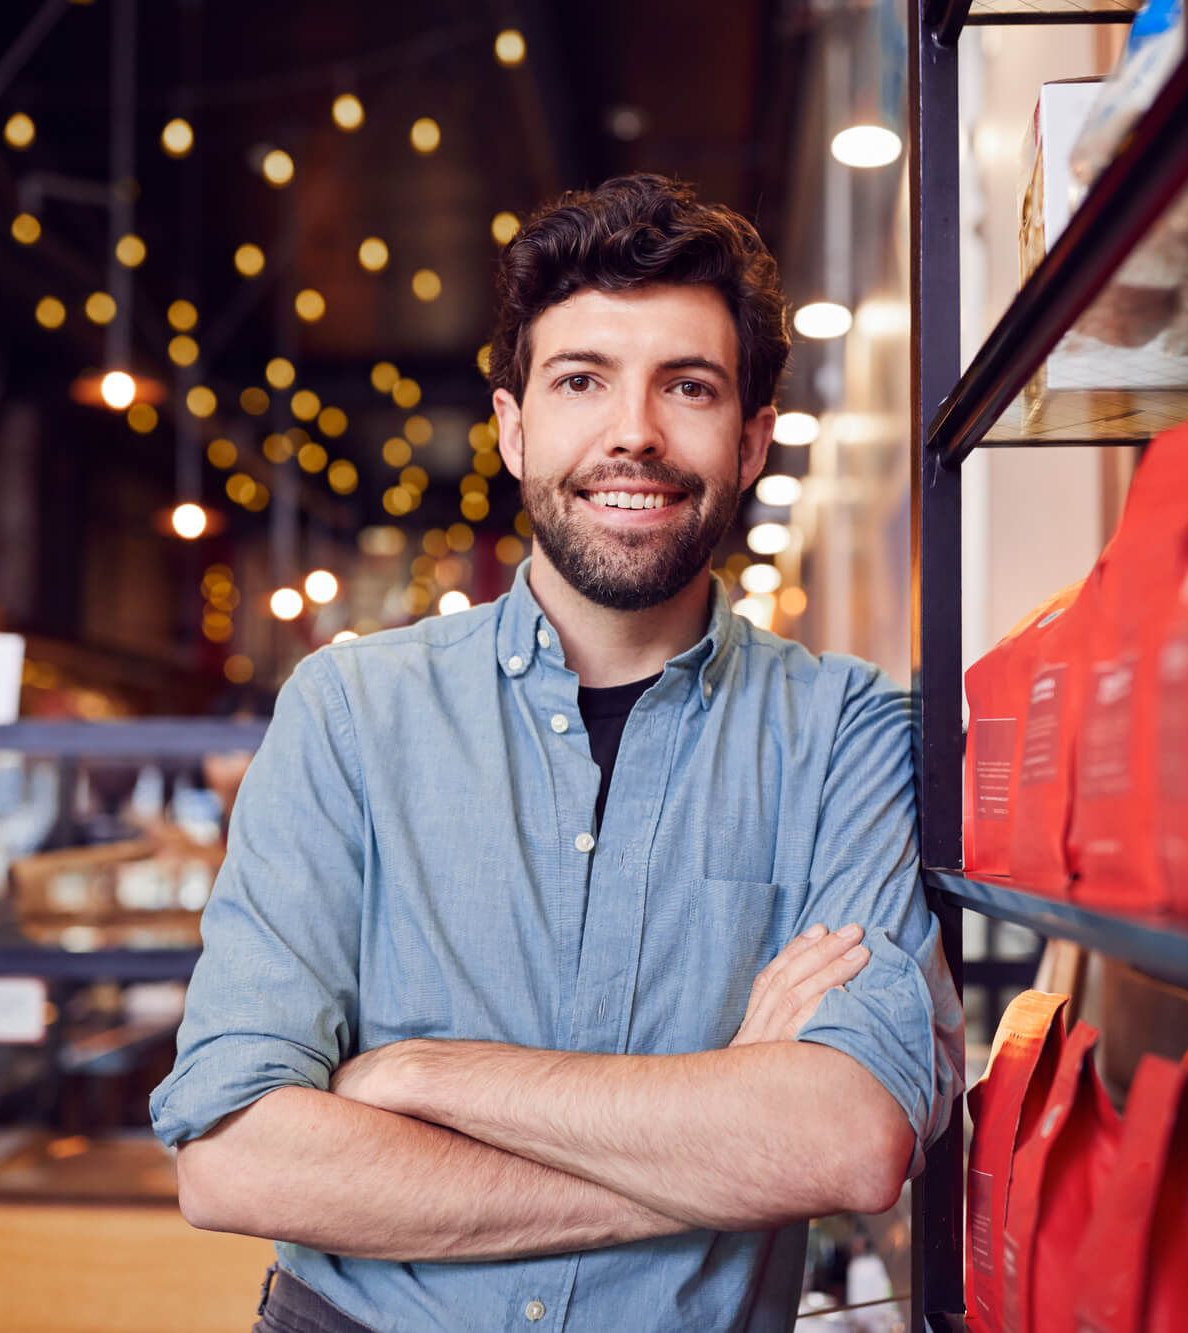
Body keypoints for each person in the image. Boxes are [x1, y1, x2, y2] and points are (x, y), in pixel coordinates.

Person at [149, 173, 964, 1333]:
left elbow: (844, 1138)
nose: (631, 431)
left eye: (686, 387)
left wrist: (419, 1074)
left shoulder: (840, 732)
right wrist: (717, 1145)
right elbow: (234, 1160)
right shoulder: (348, 712)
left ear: (749, 441)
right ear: (513, 427)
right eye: (582, 380)